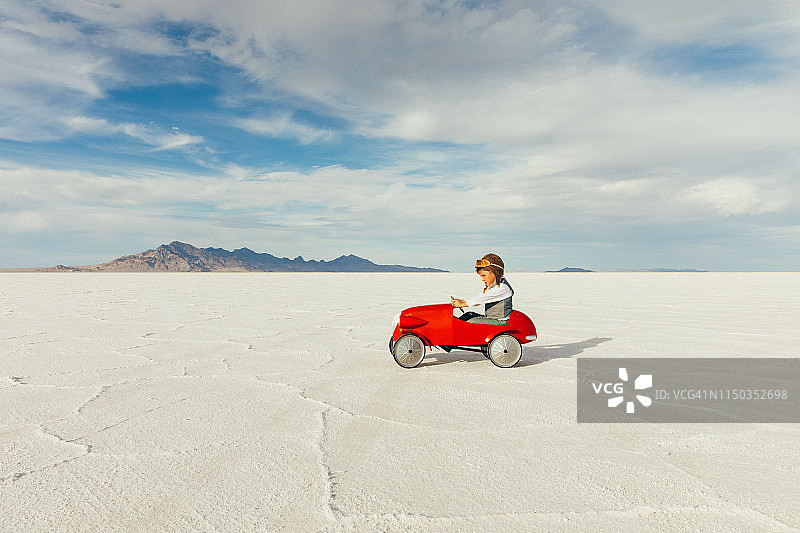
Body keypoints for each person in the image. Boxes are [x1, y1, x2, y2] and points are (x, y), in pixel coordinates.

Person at [451, 253, 513, 324]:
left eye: (484, 276)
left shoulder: (502, 288)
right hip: (491, 318)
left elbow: (480, 298)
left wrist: (462, 304)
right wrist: (461, 301)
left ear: (495, 272)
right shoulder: (495, 285)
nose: (482, 279)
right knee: (468, 315)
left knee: (469, 322)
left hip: (500, 321)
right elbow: (480, 297)